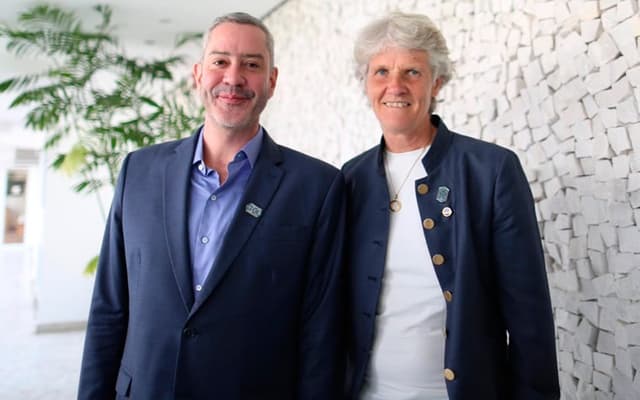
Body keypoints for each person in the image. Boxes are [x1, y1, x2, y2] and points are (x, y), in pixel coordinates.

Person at [78, 12, 345, 400]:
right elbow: (109, 307)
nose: (233, 78)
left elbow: (320, 332)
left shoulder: (317, 187)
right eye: (220, 61)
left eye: (251, 65)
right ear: (199, 74)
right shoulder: (140, 171)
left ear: (271, 81)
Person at [342, 12, 559, 400]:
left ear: (436, 82)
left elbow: (529, 316)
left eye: (412, 71)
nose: (395, 85)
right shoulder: (349, 179)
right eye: (380, 72)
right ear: (365, 83)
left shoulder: (490, 171)